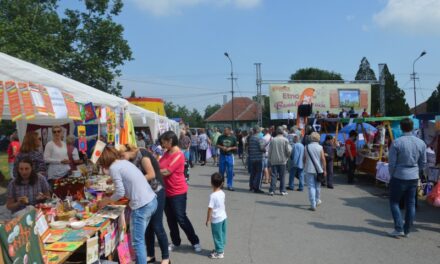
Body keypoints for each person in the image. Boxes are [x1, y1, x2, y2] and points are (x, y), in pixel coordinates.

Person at [98, 147, 158, 264]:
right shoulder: (122, 163)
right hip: (151, 200)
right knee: (139, 240)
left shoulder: (114, 168)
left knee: (137, 242)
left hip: (142, 205)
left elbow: (120, 192)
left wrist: (107, 200)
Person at [120, 144, 170, 264]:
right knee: (148, 228)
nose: (122, 159)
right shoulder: (130, 159)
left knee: (157, 225)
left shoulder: (142, 155)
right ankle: (151, 255)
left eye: (122, 156)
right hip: (145, 194)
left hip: (157, 191)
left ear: (128, 152)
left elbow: (151, 174)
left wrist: (135, 180)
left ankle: (166, 258)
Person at [159, 131, 202, 253]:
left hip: (178, 192)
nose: (162, 144)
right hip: (166, 191)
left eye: (164, 142)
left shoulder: (178, 155)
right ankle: (176, 242)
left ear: (170, 141)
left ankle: (195, 241)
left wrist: (152, 171)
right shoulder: (166, 153)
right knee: (170, 219)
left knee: (181, 218)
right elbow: (159, 165)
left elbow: (167, 171)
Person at [388, 118, 426, 238]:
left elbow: (392, 164)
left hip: (399, 175)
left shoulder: (396, 142)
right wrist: (417, 172)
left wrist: (392, 175)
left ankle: (398, 228)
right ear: (412, 127)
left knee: (394, 202)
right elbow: (423, 163)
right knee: (411, 204)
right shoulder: (421, 143)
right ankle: (407, 230)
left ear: (401, 127)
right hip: (413, 176)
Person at [206, 173, 227, 259]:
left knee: (217, 236)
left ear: (211, 183)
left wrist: (208, 219)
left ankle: (219, 253)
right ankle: (221, 248)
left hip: (216, 219)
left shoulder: (213, 196)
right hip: (223, 217)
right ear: (222, 183)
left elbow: (210, 209)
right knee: (222, 234)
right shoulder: (222, 193)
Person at [303, 132, 327, 211]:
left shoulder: (306, 147)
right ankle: (317, 200)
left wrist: (304, 165)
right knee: (317, 186)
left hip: (309, 169)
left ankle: (313, 204)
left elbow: (304, 158)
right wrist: (324, 169)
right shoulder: (320, 147)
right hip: (318, 169)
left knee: (311, 187)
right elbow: (323, 159)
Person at [268, 126, 292, 196]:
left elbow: (270, 151)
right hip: (282, 160)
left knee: (273, 176)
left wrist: (269, 159)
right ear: (282, 132)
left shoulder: (273, 140)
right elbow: (289, 150)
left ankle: (272, 190)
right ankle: (282, 190)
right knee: (282, 176)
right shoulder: (285, 140)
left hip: (274, 160)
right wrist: (287, 157)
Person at [216, 127, 238, 191]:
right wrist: (222, 147)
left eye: (225, 130)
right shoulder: (221, 137)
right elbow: (217, 145)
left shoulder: (233, 138)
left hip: (229, 156)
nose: (224, 131)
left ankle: (230, 185)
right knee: (221, 171)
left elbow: (236, 147)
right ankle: (221, 184)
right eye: (224, 130)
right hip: (222, 156)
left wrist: (230, 148)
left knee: (230, 171)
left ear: (229, 131)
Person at [247, 126, 266, 193]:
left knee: (253, 173)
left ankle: (251, 186)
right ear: (258, 131)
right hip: (259, 158)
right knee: (259, 173)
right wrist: (265, 149)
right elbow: (261, 148)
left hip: (252, 158)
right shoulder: (260, 138)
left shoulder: (251, 138)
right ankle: (257, 188)